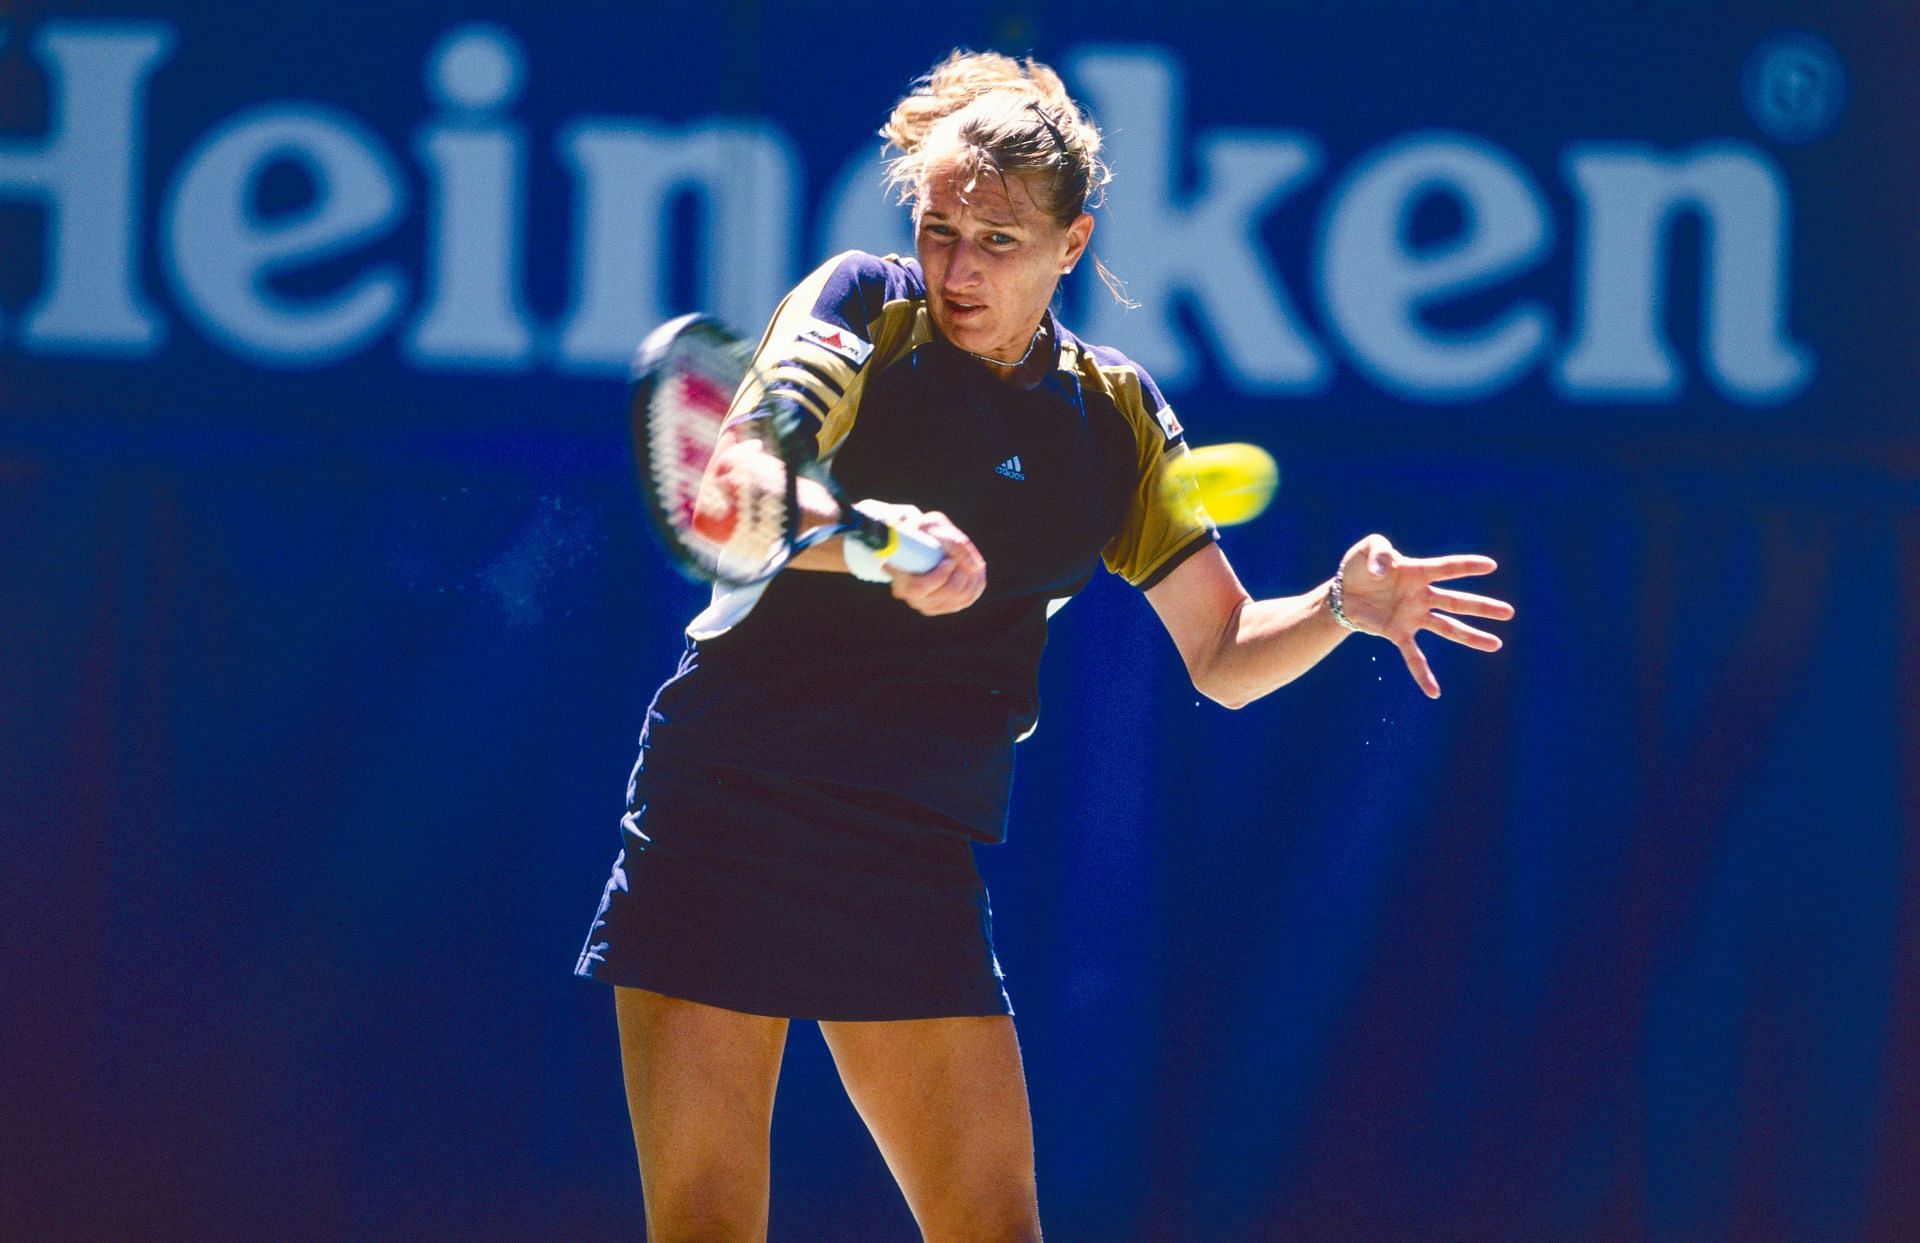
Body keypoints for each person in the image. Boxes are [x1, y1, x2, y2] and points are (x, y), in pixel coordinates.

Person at [576, 49, 1514, 1241]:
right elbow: (729, 498)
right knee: (709, 1222)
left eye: (1001, 243)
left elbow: (1223, 650)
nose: (958, 268)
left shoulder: (1114, 413)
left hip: (913, 842)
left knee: (994, 1223)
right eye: (939, 231)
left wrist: (1341, 603)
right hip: (732, 799)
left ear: (1073, 245)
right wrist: (875, 539)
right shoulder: (862, 301)